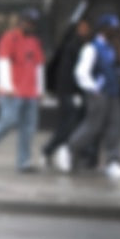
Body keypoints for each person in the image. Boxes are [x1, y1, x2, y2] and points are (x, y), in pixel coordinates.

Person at [68, 13, 120, 180]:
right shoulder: (92, 48)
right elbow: (81, 73)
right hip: (98, 94)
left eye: (116, 28)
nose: (115, 31)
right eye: (112, 28)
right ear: (103, 29)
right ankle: (71, 147)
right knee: (92, 126)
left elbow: (117, 70)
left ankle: (113, 161)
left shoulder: (113, 47)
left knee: (115, 126)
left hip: (114, 93)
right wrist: (93, 88)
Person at [0, 8, 45, 172]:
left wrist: (40, 89)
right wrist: (7, 86)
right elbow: (3, 62)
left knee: (28, 128)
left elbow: (38, 66)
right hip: (13, 92)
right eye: (28, 21)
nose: (30, 25)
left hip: (30, 92)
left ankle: (24, 162)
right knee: (7, 122)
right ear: (21, 21)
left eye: (33, 23)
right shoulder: (10, 38)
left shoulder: (34, 42)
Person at [42, 18, 91, 171]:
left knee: (71, 124)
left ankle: (61, 153)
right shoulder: (72, 46)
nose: (86, 30)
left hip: (71, 93)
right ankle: (50, 150)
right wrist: (74, 93)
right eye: (83, 27)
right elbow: (67, 74)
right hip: (69, 93)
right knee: (68, 125)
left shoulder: (79, 45)